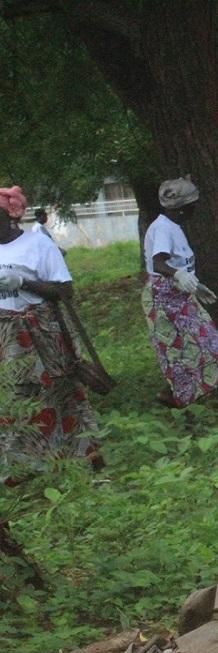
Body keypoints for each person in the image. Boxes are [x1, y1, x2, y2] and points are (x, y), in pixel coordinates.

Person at [0, 186, 101, 482]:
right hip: (6, 338)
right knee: (14, 399)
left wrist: (23, 282)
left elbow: (64, 291)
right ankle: (21, 467)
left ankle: (83, 457)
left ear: (9, 215)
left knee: (60, 393)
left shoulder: (38, 245)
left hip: (41, 334)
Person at [142, 177, 218, 408]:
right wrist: (179, 275)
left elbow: (179, 262)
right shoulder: (163, 229)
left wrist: (194, 285)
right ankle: (178, 398)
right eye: (192, 204)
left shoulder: (173, 227)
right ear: (181, 208)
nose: (195, 208)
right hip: (164, 297)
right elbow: (158, 263)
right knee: (179, 349)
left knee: (211, 344)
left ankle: (192, 396)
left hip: (180, 294)